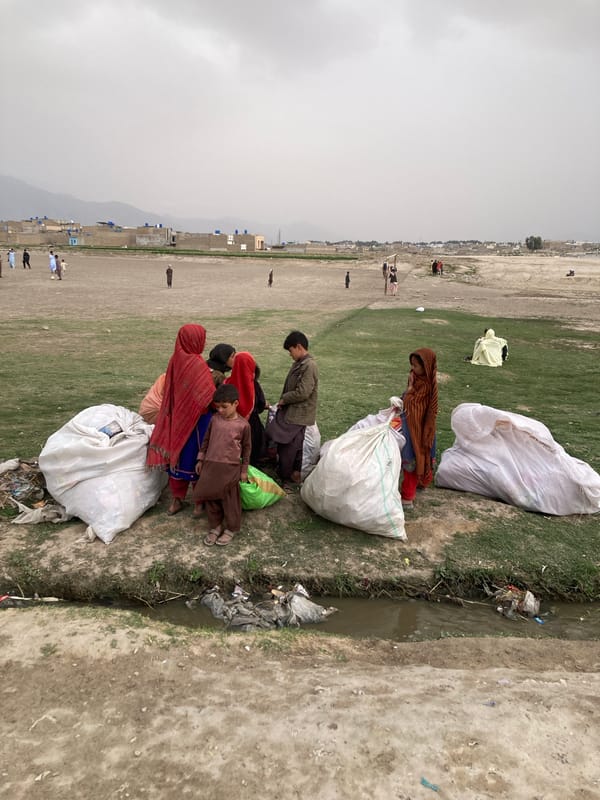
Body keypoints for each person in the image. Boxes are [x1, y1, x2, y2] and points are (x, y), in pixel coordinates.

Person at [146, 323, 216, 517]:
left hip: (177, 418)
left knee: (177, 455)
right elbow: (207, 397)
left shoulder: (174, 360)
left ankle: (176, 501)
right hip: (198, 421)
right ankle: (198, 504)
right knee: (196, 459)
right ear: (194, 340)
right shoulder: (197, 363)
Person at [193, 383, 251, 547]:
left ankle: (231, 528)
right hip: (211, 465)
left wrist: (244, 470)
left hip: (230, 468)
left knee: (230, 499)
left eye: (224, 407)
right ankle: (215, 526)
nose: (220, 411)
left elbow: (247, 449)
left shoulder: (243, 425)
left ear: (235, 404)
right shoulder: (214, 420)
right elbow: (206, 440)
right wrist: (200, 459)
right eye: (217, 407)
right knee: (211, 496)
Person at [265, 330, 318, 491]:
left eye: (290, 351)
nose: (290, 355)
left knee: (288, 446)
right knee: (293, 444)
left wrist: (285, 399)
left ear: (299, 347)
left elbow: (303, 392)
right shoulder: (300, 364)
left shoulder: (309, 366)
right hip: (293, 411)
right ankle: (292, 473)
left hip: (298, 413)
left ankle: (287, 476)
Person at [399, 348, 438, 510]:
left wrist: (407, 394)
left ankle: (407, 497)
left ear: (426, 367)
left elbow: (414, 403)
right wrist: (406, 394)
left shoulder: (428, 386)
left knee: (417, 457)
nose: (413, 369)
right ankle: (421, 483)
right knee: (416, 457)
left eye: (416, 366)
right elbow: (407, 399)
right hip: (411, 425)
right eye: (412, 365)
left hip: (421, 430)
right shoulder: (414, 378)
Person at [224, 351, 268, 466]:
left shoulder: (227, 383)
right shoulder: (253, 385)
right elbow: (261, 404)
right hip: (252, 426)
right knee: (250, 454)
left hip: (230, 426)